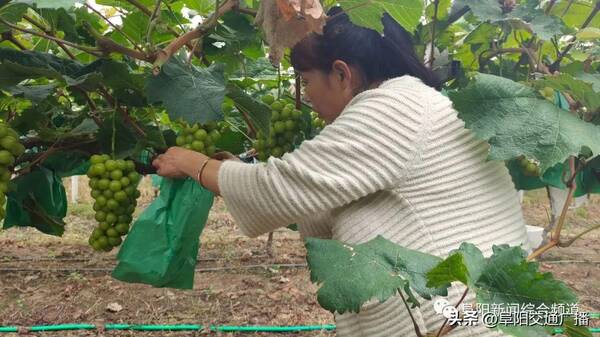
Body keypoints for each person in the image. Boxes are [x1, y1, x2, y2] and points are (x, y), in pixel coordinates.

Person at [152, 7, 530, 337]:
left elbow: (277, 188)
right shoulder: (414, 104)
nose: (306, 95)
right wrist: (230, 173)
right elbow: (314, 201)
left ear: (342, 74)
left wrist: (191, 162)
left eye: (306, 81)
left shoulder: (395, 108)